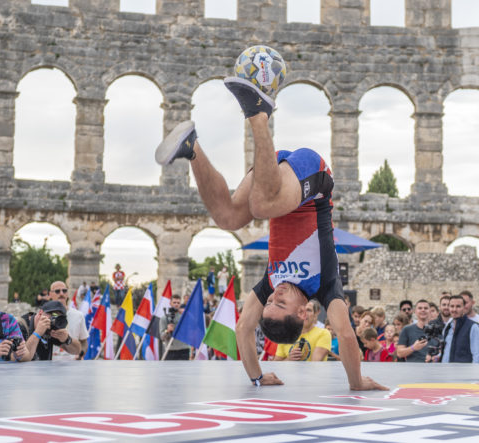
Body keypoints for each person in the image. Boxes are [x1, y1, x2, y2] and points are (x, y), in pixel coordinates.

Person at [154, 71, 386, 390]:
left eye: (270, 304)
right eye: (281, 304)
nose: (273, 297)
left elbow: (243, 328)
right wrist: (357, 381)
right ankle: (259, 112)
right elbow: (346, 335)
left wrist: (257, 376)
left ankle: (191, 148)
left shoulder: (271, 283)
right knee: (263, 206)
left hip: (273, 174)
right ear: (304, 312)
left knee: (227, 217)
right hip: (313, 180)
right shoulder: (326, 285)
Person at [434, 295, 479, 364]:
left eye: (458, 306)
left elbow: (478, 356)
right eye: (452, 306)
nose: (454, 309)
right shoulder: (448, 327)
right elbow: (447, 350)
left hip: (464, 373)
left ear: (464, 308)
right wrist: (437, 357)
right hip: (445, 372)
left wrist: (473, 374)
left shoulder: (473, 327)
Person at [160, 294, 189, 360]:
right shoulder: (164, 318)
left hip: (184, 349)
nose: (176, 304)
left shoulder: (184, 316)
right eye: (174, 302)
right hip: (170, 350)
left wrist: (187, 313)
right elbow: (162, 337)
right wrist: (167, 331)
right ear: (170, 303)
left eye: (178, 303)